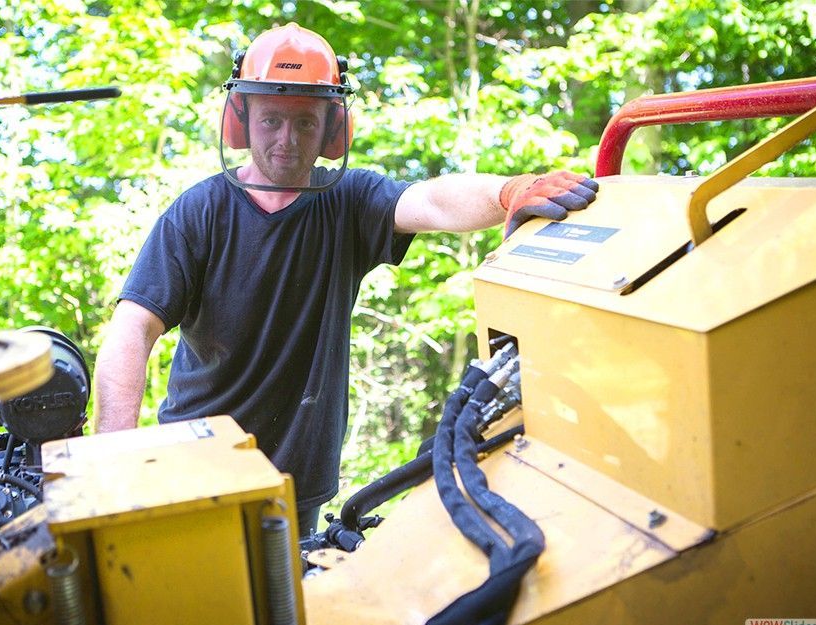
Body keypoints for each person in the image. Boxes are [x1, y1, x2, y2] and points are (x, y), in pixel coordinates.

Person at [93, 23, 598, 535]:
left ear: (331, 131)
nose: (287, 141)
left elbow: (428, 200)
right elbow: (133, 328)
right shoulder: (199, 212)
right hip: (197, 464)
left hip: (295, 477)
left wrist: (508, 191)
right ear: (242, 122)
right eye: (270, 121)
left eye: (305, 124)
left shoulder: (347, 202)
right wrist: (113, 464)